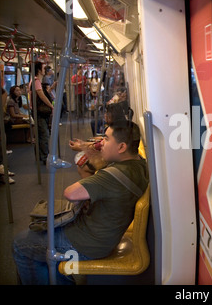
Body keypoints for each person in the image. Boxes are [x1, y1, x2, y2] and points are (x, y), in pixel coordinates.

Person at [13, 120, 149, 285]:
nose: (101, 143)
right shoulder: (139, 164)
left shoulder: (112, 176)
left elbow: (70, 193)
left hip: (88, 244)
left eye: (105, 139)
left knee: (20, 244)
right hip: (103, 236)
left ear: (121, 147)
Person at [33, 62, 54, 165]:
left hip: (39, 112)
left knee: (42, 134)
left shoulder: (37, 81)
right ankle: (45, 157)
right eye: (43, 68)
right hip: (39, 112)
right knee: (44, 134)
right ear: (38, 70)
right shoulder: (36, 81)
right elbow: (41, 96)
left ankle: (42, 156)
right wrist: (51, 106)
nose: (44, 70)